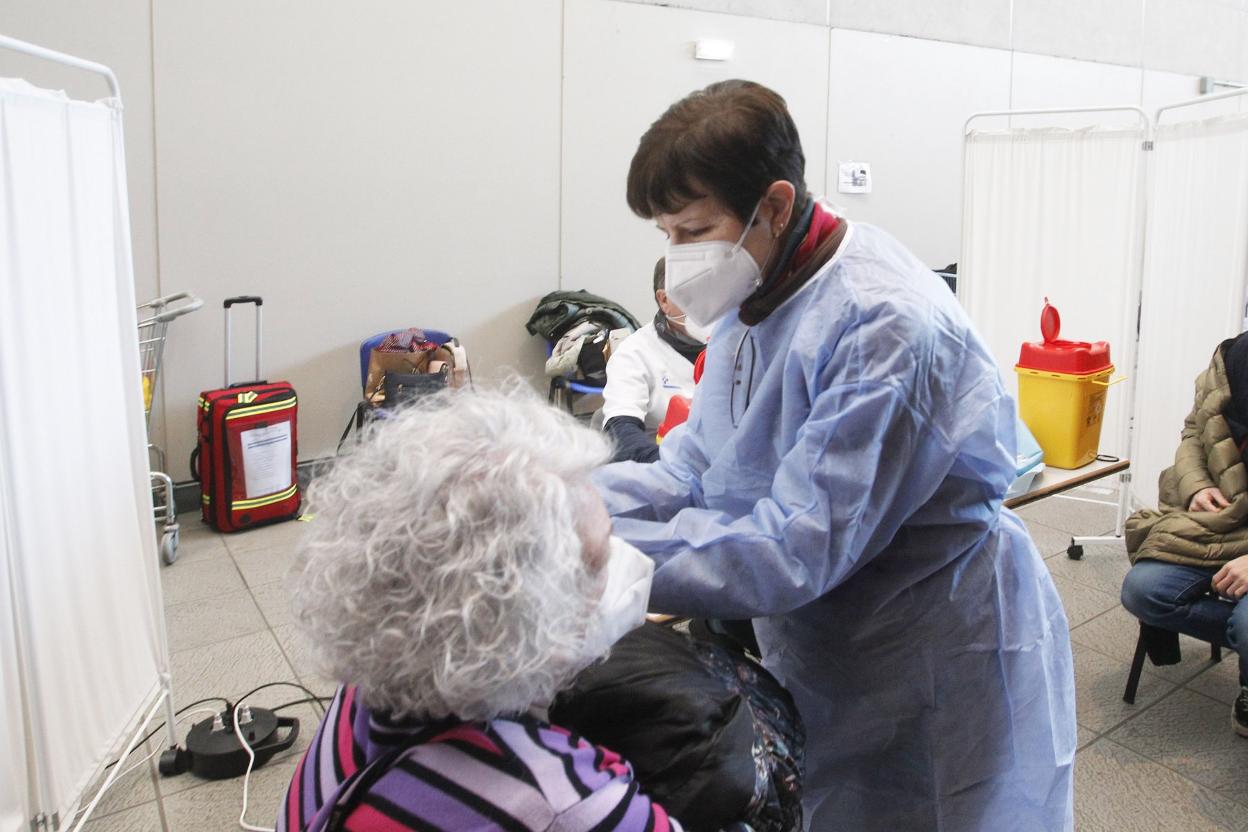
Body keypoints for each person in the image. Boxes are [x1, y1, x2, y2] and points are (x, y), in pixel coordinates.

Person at [592, 79, 1076, 830]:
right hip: (831, 643)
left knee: (939, 810)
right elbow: (695, 467)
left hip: (935, 643)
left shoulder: (883, 324)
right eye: (667, 235)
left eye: (693, 231)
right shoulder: (760, 294)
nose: (679, 256)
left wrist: (595, 551)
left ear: (776, 205)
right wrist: (570, 500)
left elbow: (793, 546)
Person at [278, 387, 679, 831]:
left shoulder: (365, 689)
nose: (621, 563)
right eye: (601, 558)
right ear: (529, 617)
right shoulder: (564, 802)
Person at [1122, 332, 1248, 736]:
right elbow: (1195, 431)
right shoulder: (1233, 358)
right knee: (1143, 590)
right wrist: (1195, 485)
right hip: (1221, 519)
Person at [602, 258, 702, 463]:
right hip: (661, 468)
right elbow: (620, 432)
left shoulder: (737, 344)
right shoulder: (634, 354)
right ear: (664, 299)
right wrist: (671, 468)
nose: (706, 302)